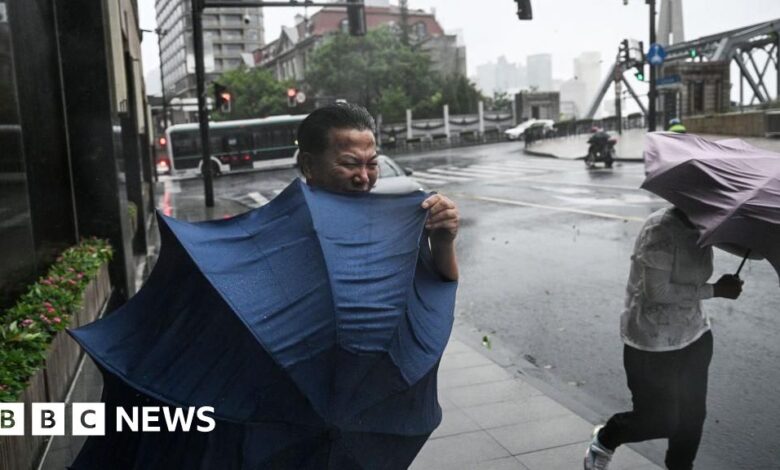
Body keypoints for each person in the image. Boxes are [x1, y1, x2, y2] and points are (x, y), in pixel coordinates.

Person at [584, 206, 743, 470]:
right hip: (651, 342)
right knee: (661, 420)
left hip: (695, 336)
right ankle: (607, 437)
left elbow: (753, 253)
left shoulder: (708, 224)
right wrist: (715, 289)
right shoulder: (660, 229)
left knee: (692, 419)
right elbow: (657, 291)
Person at [297, 102, 459, 281]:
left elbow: (437, 287)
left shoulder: (393, 223)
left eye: (373, 164)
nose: (364, 177)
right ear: (309, 166)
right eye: (350, 164)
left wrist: (442, 243)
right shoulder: (285, 233)